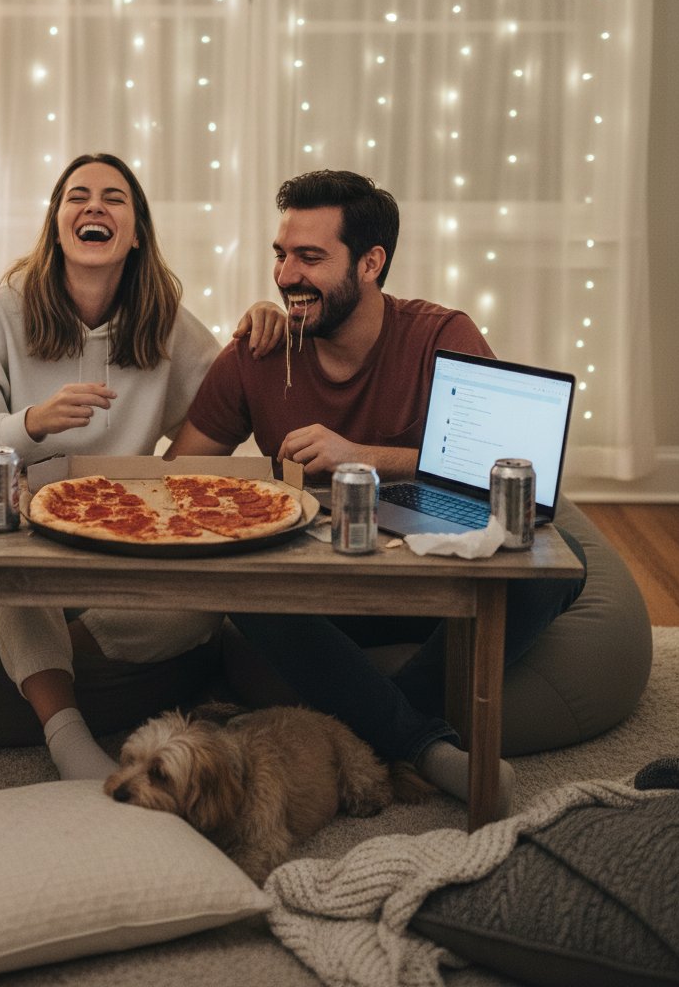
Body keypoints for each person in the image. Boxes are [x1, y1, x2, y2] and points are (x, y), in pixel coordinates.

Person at [167, 169, 586, 814]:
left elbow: (504, 470)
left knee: (554, 573)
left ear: (370, 262)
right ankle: (423, 746)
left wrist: (361, 457)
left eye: (311, 258)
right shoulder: (259, 352)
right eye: (281, 255)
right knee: (243, 587)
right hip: (326, 582)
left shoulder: (439, 335)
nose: (285, 276)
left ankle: (384, 736)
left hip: (428, 576)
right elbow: (181, 472)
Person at [0, 152, 285, 780]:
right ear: (57, 224)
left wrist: (263, 322)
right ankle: (69, 740)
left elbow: (229, 398)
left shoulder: (164, 318)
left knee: (209, 603)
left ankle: (48, 662)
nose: (95, 206)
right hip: (30, 531)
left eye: (114, 197)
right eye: (78, 196)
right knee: (10, 570)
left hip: (124, 535)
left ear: (136, 231)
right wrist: (31, 423)